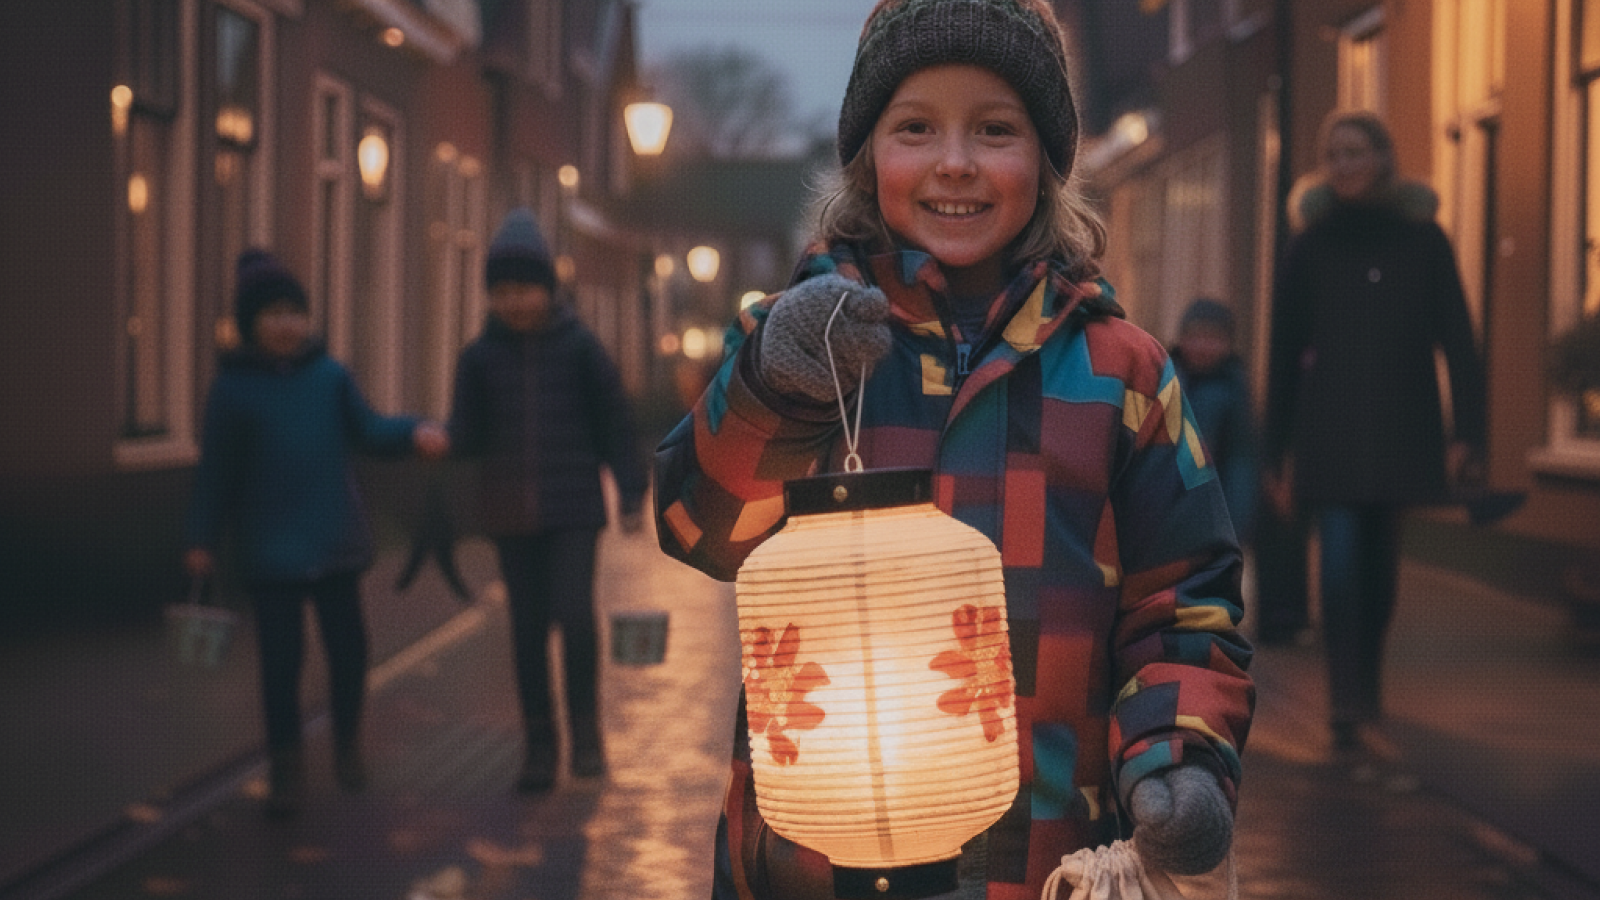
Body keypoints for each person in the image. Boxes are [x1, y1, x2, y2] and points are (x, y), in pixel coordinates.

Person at [653, 1, 1255, 895]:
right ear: (866, 157)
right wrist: (776, 391)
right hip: (814, 866)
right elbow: (698, 526)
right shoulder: (800, 346)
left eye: (996, 129)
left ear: (1046, 161)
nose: (956, 162)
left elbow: (1184, 601)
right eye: (916, 128)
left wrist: (1180, 758)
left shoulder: (1121, 374)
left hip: (1042, 863)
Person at [184, 249, 448, 816]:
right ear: (251, 323)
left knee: (350, 648)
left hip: (333, 538)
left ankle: (347, 748)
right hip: (270, 546)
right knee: (281, 661)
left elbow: (371, 430)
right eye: (272, 314)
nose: (286, 324)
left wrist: (417, 431)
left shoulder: (331, 377)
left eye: (294, 313)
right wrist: (201, 539)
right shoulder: (231, 391)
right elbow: (217, 471)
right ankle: (286, 767)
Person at [1263, 109, 1488, 753]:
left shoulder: (1424, 241)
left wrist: (1467, 430)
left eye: (1355, 153)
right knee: (1336, 566)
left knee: (1380, 573)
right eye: (1334, 155)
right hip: (1328, 430)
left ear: (1383, 160)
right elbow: (1283, 349)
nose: (1344, 166)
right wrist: (1275, 449)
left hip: (1402, 425)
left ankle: (1368, 682)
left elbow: (1458, 339)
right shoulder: (1308, 246)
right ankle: (1345, 700)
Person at [446, 208, 649, 793]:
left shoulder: (580, 349)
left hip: (573, 508)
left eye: (525, 289)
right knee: (527, 629)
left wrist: (631, 492)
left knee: (575, 617)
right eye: (502, 292)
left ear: (548, 289)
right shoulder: (478, 359)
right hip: (510, 513)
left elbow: (615, 420)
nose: (515, 302)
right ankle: (540, 746)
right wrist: (434, 443)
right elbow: (466, 433)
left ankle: (586, 734)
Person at [1169, 298, 1258, 547]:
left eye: (1213, 338)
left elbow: (1242, 464)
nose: (1203, 347)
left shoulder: (1233, 391)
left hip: (1213, 518)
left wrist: (1235, 525)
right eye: (1195, 336)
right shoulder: (1166, 382)